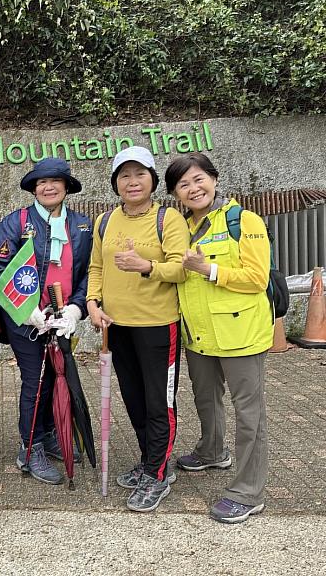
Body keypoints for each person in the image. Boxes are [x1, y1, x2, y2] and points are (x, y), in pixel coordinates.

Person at [164, 152, 272, 523]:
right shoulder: (181, 227)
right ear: (176, 194)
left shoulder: (244, 220)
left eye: (198, 179)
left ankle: (248, 491)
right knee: (205, 398)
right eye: (183, 184)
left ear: (214, 179)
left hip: (241, 335)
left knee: (249, 415)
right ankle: (212, 452)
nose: (193, 188)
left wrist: (208, 268)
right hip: (199, 336)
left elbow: (257, 278)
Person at [86, 146, 188, 512]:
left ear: (153, 180)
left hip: (158, 325)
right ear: (115, 183)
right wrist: (93, 304)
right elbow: (96, 268)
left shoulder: (169, 220)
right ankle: (151, 462)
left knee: (159, 402)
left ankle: (158, 474)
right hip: (117, 327)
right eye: (124, 175)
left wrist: (146, 265)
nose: (132, 181)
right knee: (133, 399)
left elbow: (180, 268)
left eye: (139, 174)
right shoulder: (104, 221)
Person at [0, 157, 93, 485]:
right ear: (34, 188)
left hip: (61, 319)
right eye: (41, 182)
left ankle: (48, 434)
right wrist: (28, 311)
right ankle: (29, 447)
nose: (48, 187)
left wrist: (76, 310)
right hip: (27, 321)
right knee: (36, 382)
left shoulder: (81, 226)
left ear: (66, 187)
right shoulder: (16, 222)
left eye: (55, 181)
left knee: (56, 377)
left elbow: (90, 273)